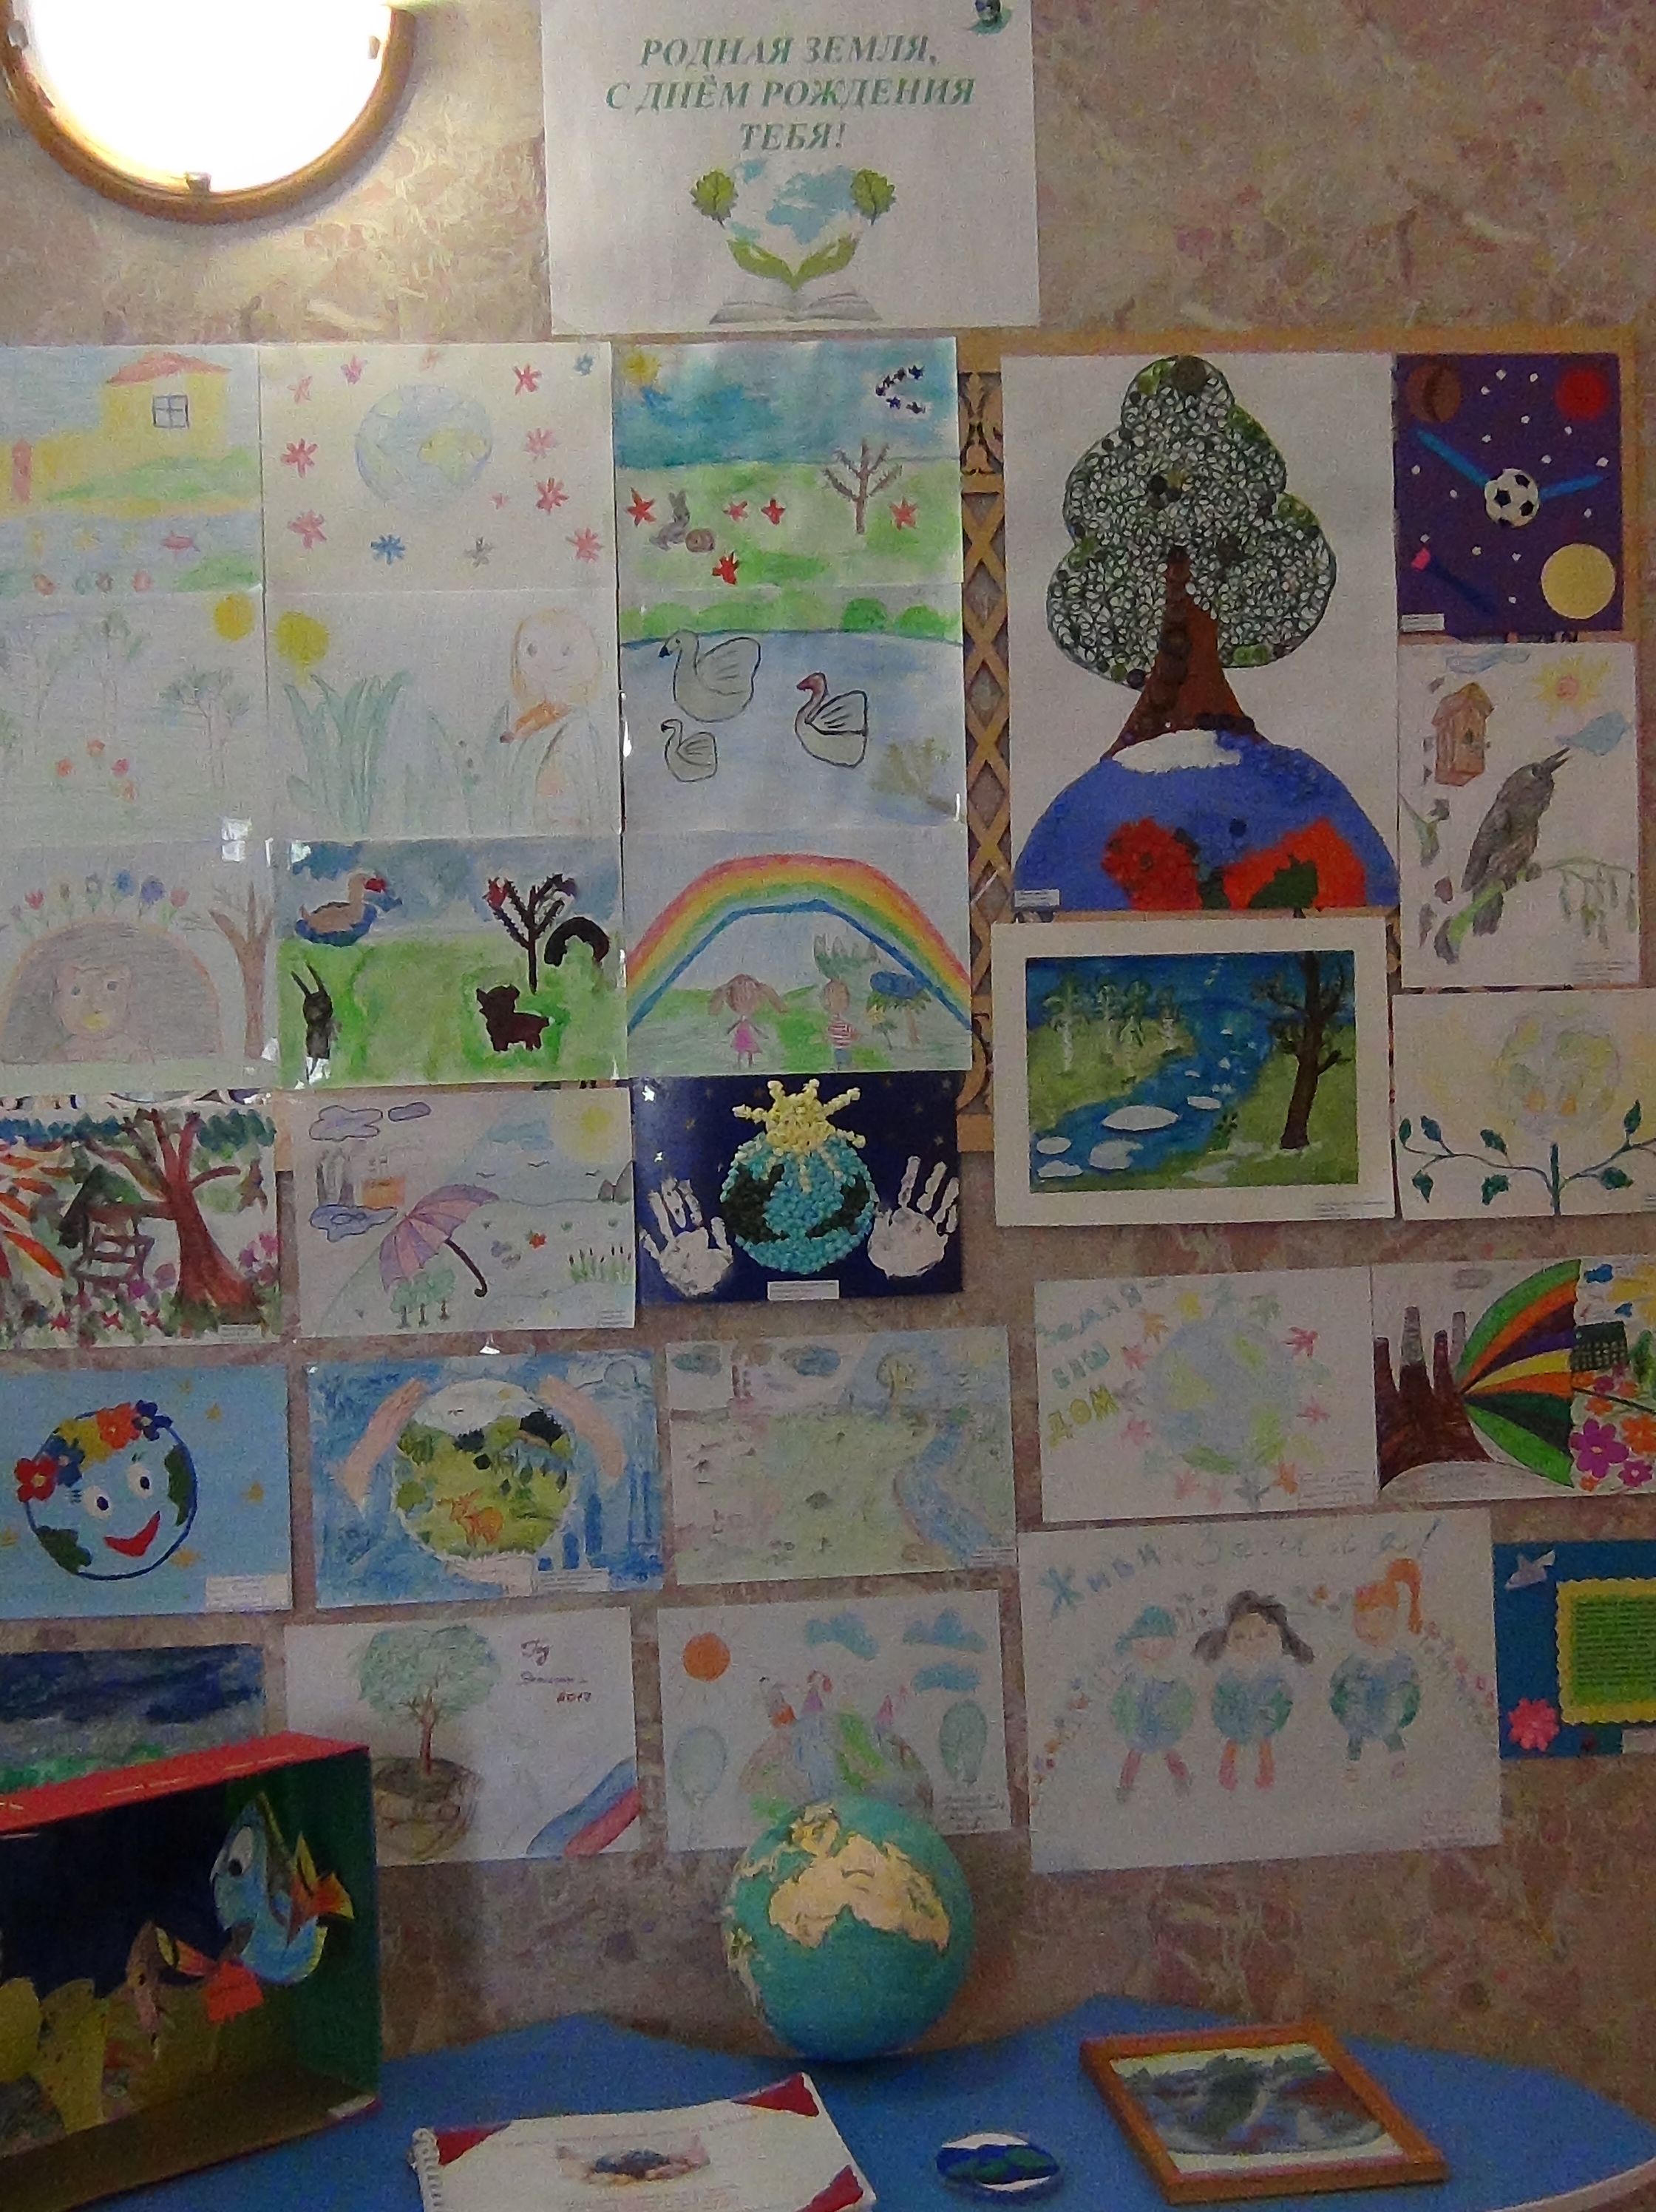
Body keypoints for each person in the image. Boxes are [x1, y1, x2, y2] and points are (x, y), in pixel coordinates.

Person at [1193, 1590, 1314, 1791]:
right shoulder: (1229, 1667)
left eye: (1262, 1634)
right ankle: (1227, 1768)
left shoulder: (1279, 1667)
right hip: (1234, 1713)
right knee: (1233, 1740)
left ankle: (1266, 1771)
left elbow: (1298, 1687)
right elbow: (1213, 1689)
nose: (1251, 1642)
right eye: (1240, 1636)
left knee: (1264, 1740)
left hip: (1267, 1714)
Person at [1328, 1558, 1424, 1779]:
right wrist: (1339, 1698)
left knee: (1391, 1734)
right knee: (1355, 1735)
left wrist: (1412, 1688)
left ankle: (1398, 1763)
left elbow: (1409, 1680)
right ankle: (1353, 1764)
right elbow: (1339, 1679)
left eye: (1382, 1616)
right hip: (1358, 1710)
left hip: (1387, 1710)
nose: (1372, 1627)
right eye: (1364, 1619)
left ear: (1395, 1619)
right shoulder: (1356, 1660)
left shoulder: (1398, 1660)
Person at [1108, 1604, 1195, 1802]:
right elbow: (1121, 1700)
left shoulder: (1170, 1676)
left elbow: (1183, 1698)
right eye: (1145, 1643)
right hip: (1139, 1723)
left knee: (1168, 1751)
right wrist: (1120, 1718)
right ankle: (1125, 1786)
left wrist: (1177, 1717)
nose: (1153, 1648)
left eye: (1161, 1643)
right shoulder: (1134, 1678)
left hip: (1162, 1723)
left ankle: (1182, 1779)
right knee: (1135, 1754)